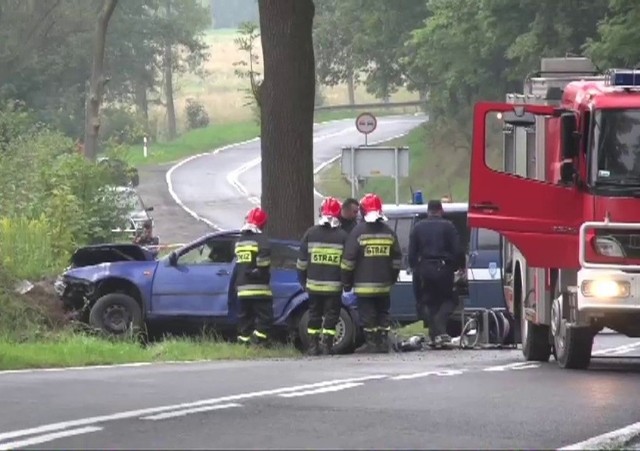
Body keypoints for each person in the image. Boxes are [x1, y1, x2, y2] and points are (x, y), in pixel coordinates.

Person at [341, 193, 402, 354]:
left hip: (364, 287)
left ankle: (371, 344)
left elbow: (348, 261)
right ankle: (382, 343)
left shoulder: (358, 232)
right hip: (384, 285)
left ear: (362, 211)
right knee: (383, 314)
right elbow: (397, 259)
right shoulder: (389, 232)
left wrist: (346, 283)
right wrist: (392, 278)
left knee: (368, 316)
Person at [297, 197, 349, 356]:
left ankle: (313, 346)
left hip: (313, 286)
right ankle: (327, 345)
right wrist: (346, 282)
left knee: (314, 315)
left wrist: (303, 281)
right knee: (332, 316)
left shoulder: (310, 233)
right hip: (334, 287)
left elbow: (301, 262)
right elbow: (346, 263)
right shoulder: (342, 236)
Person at [408, 199, 462, 348]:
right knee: (449, 299)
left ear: (428, 211)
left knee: (429, 301)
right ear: (441, 210)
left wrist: (415, 268)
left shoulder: (418, 227)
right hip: (444, 269)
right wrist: (457, 267)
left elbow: (412, 253)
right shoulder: (449, 226)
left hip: (424, 269)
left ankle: (434, 335)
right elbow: (457, 249)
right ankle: (439, 327)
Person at [233, 207, 273, 346]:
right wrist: (259, 271)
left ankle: (243, 342)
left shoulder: (239, 241)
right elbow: (264, 263)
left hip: (242, 288)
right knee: (266, 317)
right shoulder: (261, 240)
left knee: (244, 318)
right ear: (262, 224)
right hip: (259, 288)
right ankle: (258, 339)